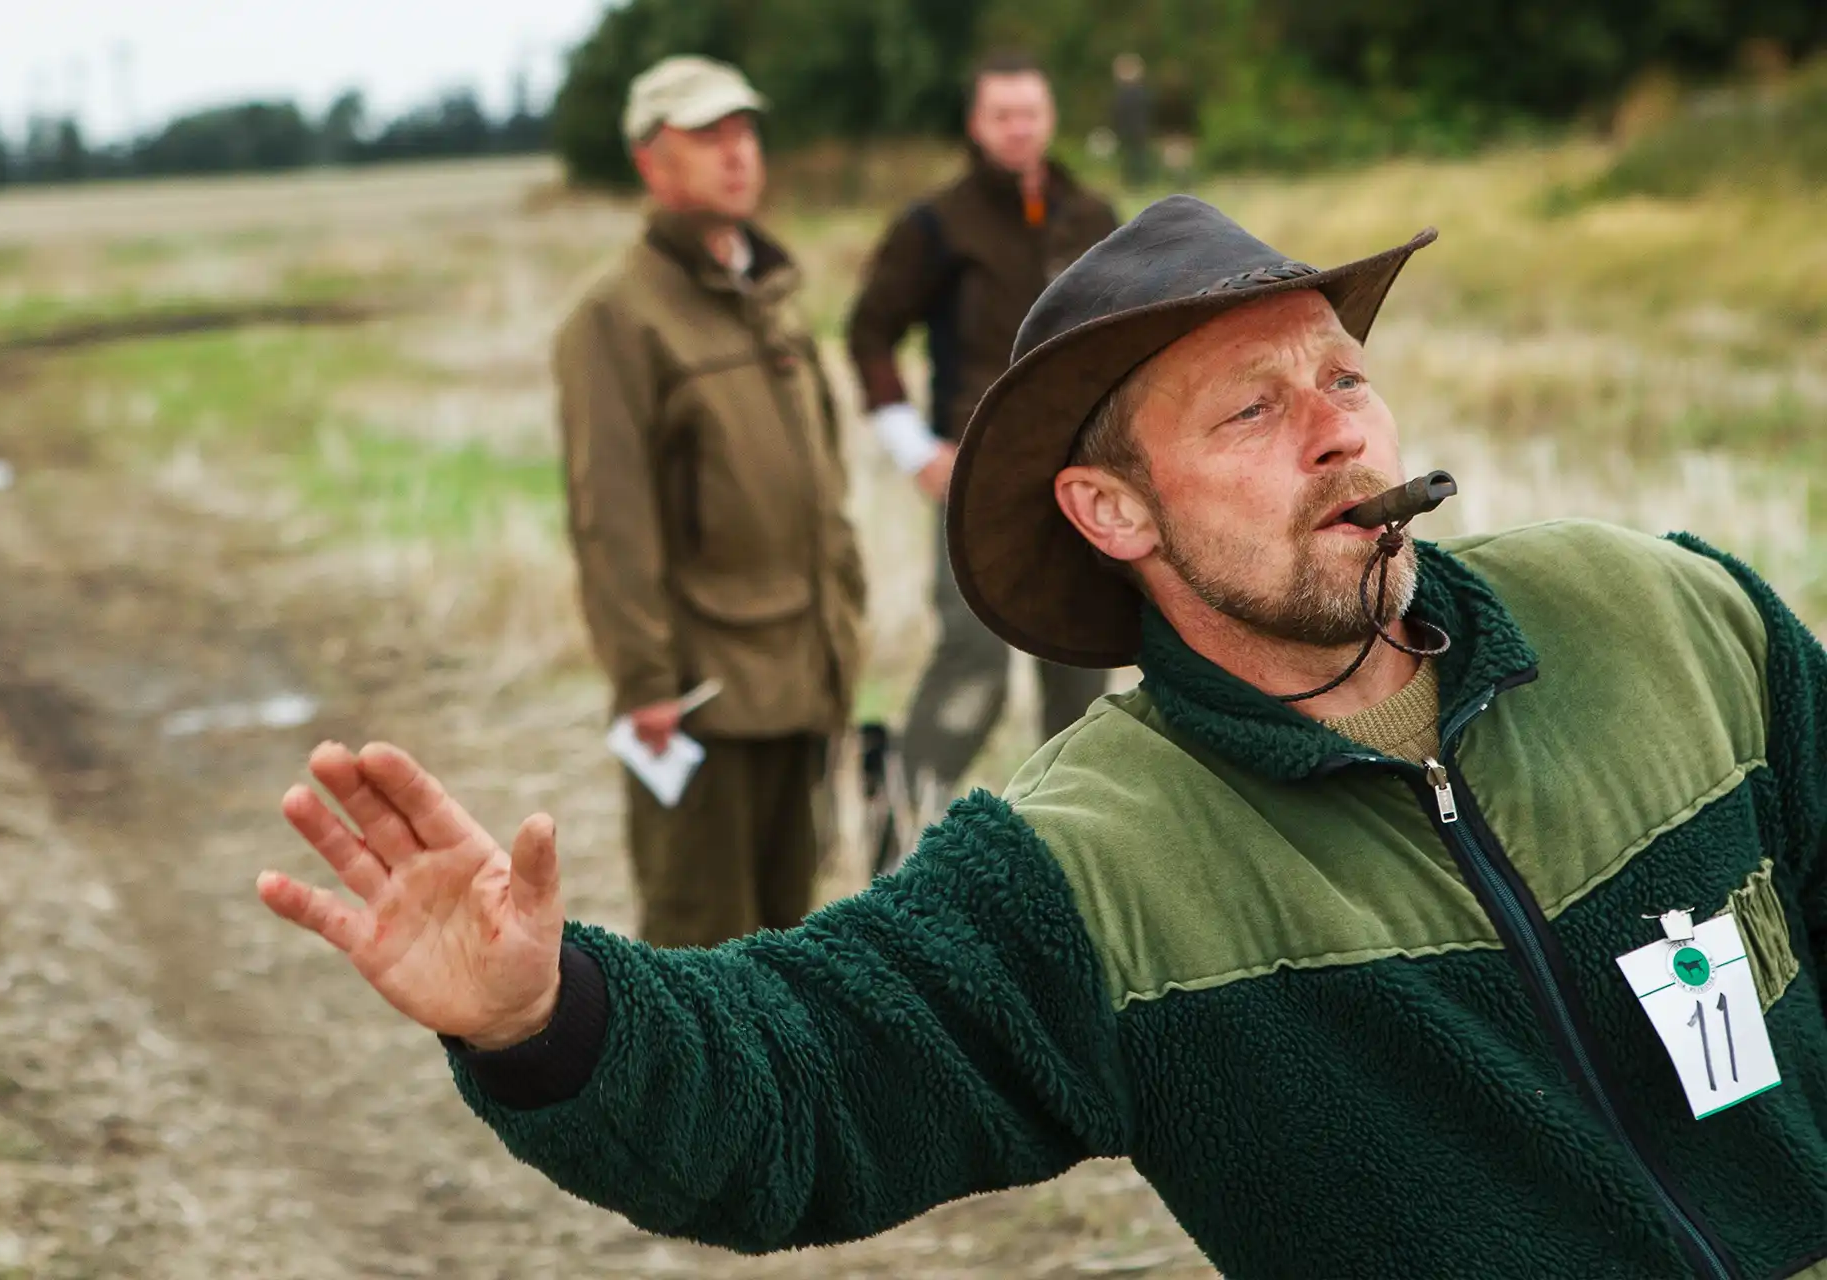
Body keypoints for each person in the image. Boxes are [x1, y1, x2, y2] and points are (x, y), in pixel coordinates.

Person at [257, 196, 1827, 1280]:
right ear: (1111, 510)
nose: (1344, 428)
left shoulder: (1671, 618)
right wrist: (547, 1020)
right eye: (1254, 413)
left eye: (1347, 376)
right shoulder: (1091, 869)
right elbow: (799, 1090)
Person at [547, 55, 865, 947]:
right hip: (703, 695)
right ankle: (684, 1097)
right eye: (707, 136)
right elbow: (610, 517)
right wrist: (646, 682)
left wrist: (843, 632)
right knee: (700, 945)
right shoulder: (615, 318)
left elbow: (823, 484)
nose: (737, 153)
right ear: (652, 163)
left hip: (803, 671)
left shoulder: (771, 299)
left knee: (791, 940)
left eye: (745, 131)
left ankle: (781, 1096)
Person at [846, 51, 1119, 844]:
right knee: (974, 660)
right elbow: (868, 330)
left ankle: (1071, 847)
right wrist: (914, 449)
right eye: (1002, 115)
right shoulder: (937, 224)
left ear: (1050, 117)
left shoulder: (1092, 214)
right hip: (977, 476)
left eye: (1030, 112)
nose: (1018, 128)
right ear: (976, 123)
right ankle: (895, 836)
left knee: (1079, 662)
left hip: (1082, 473)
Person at [1110, 53, 1153, 188]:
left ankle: (1138, 181)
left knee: (1135, 157)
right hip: (1136, 129)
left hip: (1134, 129)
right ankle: (1137, 181)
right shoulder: (1138, 92)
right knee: (1134, 157)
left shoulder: (1129, 93)